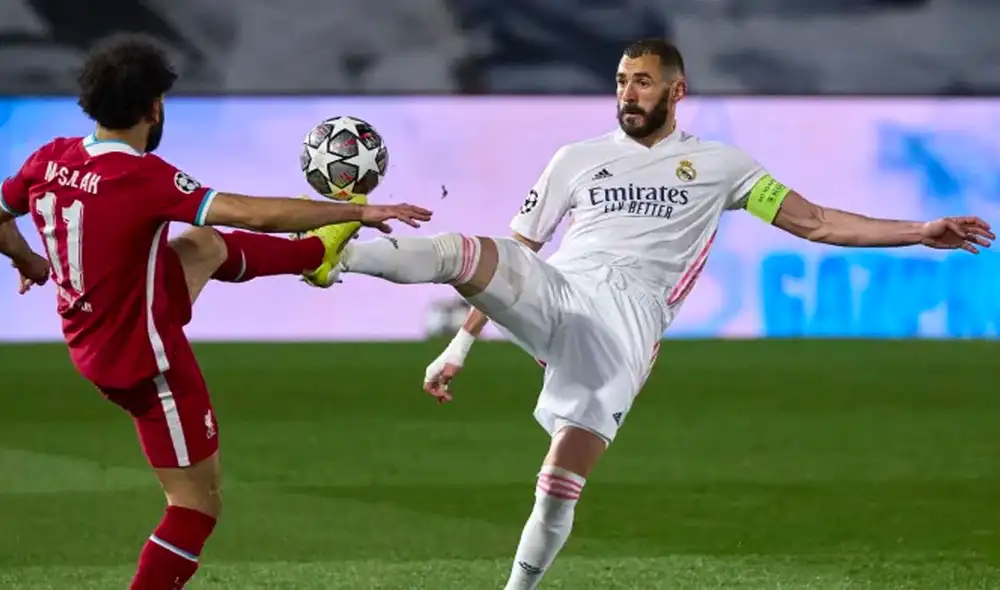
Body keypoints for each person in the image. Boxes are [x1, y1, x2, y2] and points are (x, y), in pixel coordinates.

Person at [302, 38, 994, 588]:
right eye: (620, 82)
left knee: (557, 485)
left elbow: (814, 222)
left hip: (624, 327)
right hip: (558, 291)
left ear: (676, 90)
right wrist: (458, 347)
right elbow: (519, 251)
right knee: (472, 249)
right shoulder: (577, 159)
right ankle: (335, 255)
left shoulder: (721, 166)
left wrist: (918, 230)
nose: (627, 94)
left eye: (641, 81)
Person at [0, 34, 430, 590]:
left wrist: (31, 260)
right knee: (196, 506)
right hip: (141, 360)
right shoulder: (142, 177)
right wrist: (358, 209)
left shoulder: (49, 157)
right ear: (154, 107)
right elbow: (247, 212)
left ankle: (316, 255)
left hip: (93, 325)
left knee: (203, 244)